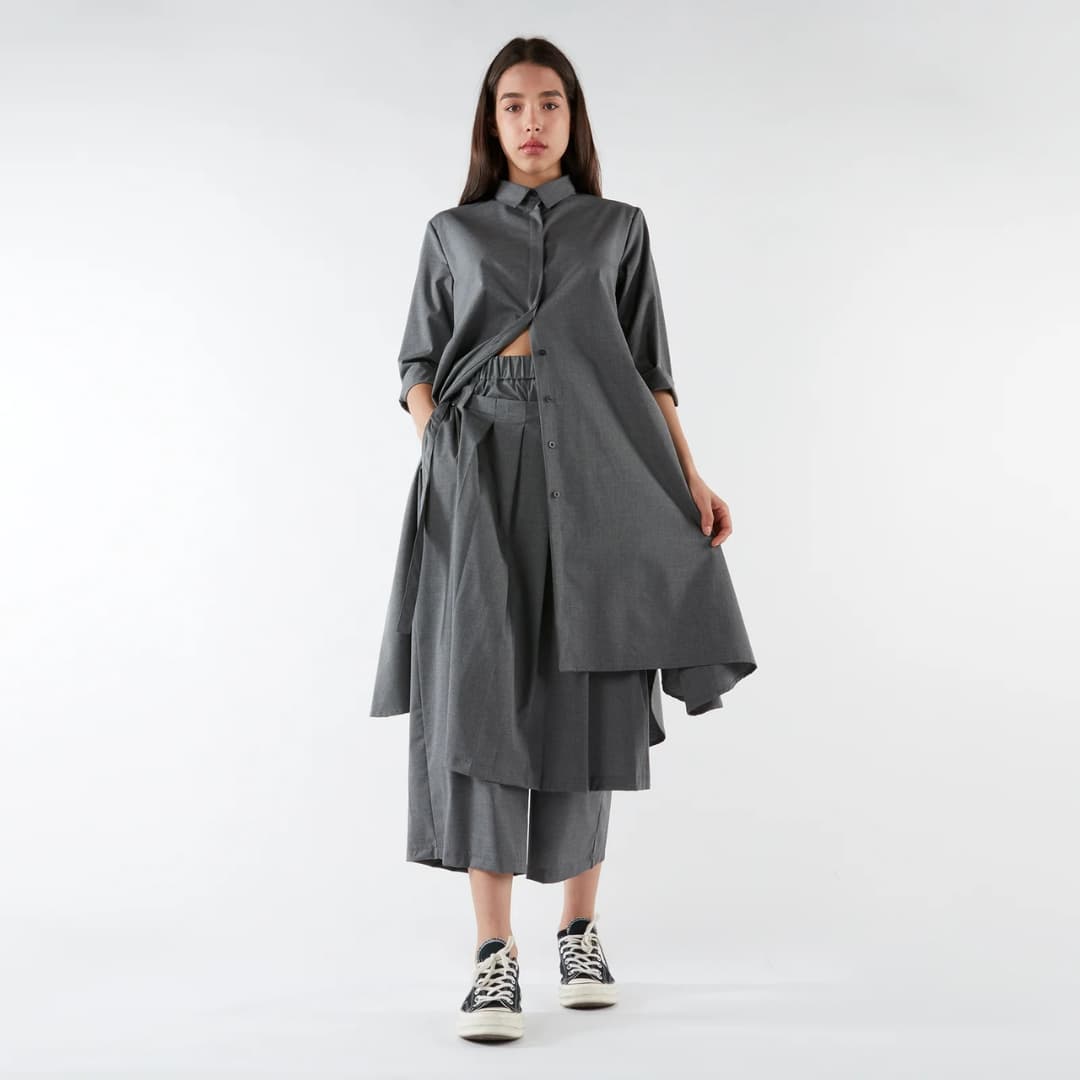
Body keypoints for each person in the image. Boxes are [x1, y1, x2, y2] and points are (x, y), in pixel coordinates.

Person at [369, 36, 757, 1042]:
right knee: (481, 693)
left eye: (549, 103)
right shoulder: (452, 232)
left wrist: (691, 477)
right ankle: (493, 957)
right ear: (490, 121)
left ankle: (579, 934)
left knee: (592, 686)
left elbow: (649, 368)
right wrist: (440, 446)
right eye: (513, 105)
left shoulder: (618, 229)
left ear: (573, 118)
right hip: (478, 475)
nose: (532, 121)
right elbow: (416, 360)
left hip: (601, 468)